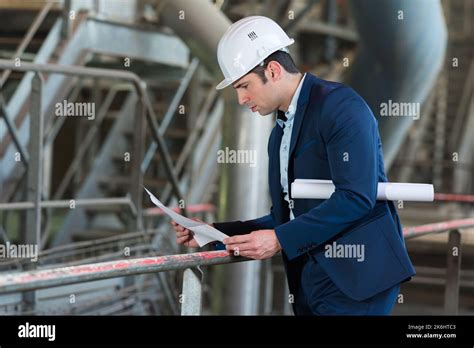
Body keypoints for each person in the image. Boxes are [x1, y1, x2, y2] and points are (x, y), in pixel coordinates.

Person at [171, 15, 415, 315]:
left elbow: (356, 197)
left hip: (358, 278)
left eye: (244, 85)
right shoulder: (280, 133)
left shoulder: (341, 107)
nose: (241, 99)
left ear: (273, 71)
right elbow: (287, 216)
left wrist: (279, 239)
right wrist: (213, 233)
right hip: (312, 279)